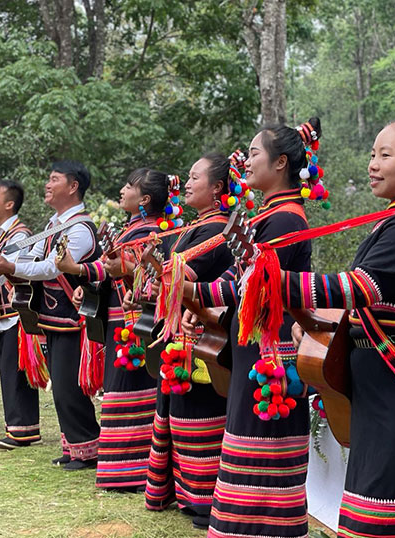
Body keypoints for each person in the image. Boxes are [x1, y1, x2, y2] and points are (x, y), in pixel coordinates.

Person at [281, 118, 395, 537]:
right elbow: (367, 302)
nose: (373, 164)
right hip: (386, 390)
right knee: (378, 502)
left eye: (386, 155)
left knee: (394, 508)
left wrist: (279, 283)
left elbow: (361, 288)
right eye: (372, 155)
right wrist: (314, 323)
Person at [181, 119, 319, 538]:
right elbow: (240, 283)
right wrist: (194, 296)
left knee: (262, 441)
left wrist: (190, 292)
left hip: (270, 357)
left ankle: (258, 528)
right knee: (250, 436)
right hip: (257, 349)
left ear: (280, 163)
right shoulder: (270, 216)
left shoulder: (284, 220)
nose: (246, 160)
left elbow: (246, 287)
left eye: (254, 153)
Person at [57, 169, 171, 490]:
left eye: (129, 186)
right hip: (120, 321)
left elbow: (145, 277)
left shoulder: (151, 233)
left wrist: (93, 271)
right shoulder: (131, 230)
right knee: (120, 390)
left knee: (131, 391)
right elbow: (108, 269)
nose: (121, 190)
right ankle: (127, 468)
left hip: (135, 325)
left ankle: (133, 471)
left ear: (145, 199)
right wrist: (79, 273)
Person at [0, 161, 101, 469]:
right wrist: (3, 264)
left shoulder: (79, 229)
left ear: (73, 186)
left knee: (68, 385)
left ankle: (87, 449)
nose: (47, 185)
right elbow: (31, 255)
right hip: (52, 316)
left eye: (54, 180)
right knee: (61, 384)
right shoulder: (55, 225)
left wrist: (11, 267)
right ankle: (73, 447)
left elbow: (52, 266)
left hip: (73, 318)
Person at [144, 153, 234, 530]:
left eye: (196, 177)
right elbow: (168, 281)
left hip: (200, 335)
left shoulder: (216, 229)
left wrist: (154, 269)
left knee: (199, 413)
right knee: (180, 413)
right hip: (180, 331)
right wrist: (151, 271)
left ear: (217, 188)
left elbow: (183, 277)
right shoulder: (193, 227)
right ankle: (187, 493)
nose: (187, 183)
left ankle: (204, 500)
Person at [0, 180, 42, 449]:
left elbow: (6, 271)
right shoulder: (0, 234)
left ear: (9, 204)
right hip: (5, 312)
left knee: (15, 370)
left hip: (17, 310)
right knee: (9, 369)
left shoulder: (20, 236)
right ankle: (18, 427)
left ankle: (22, 430)